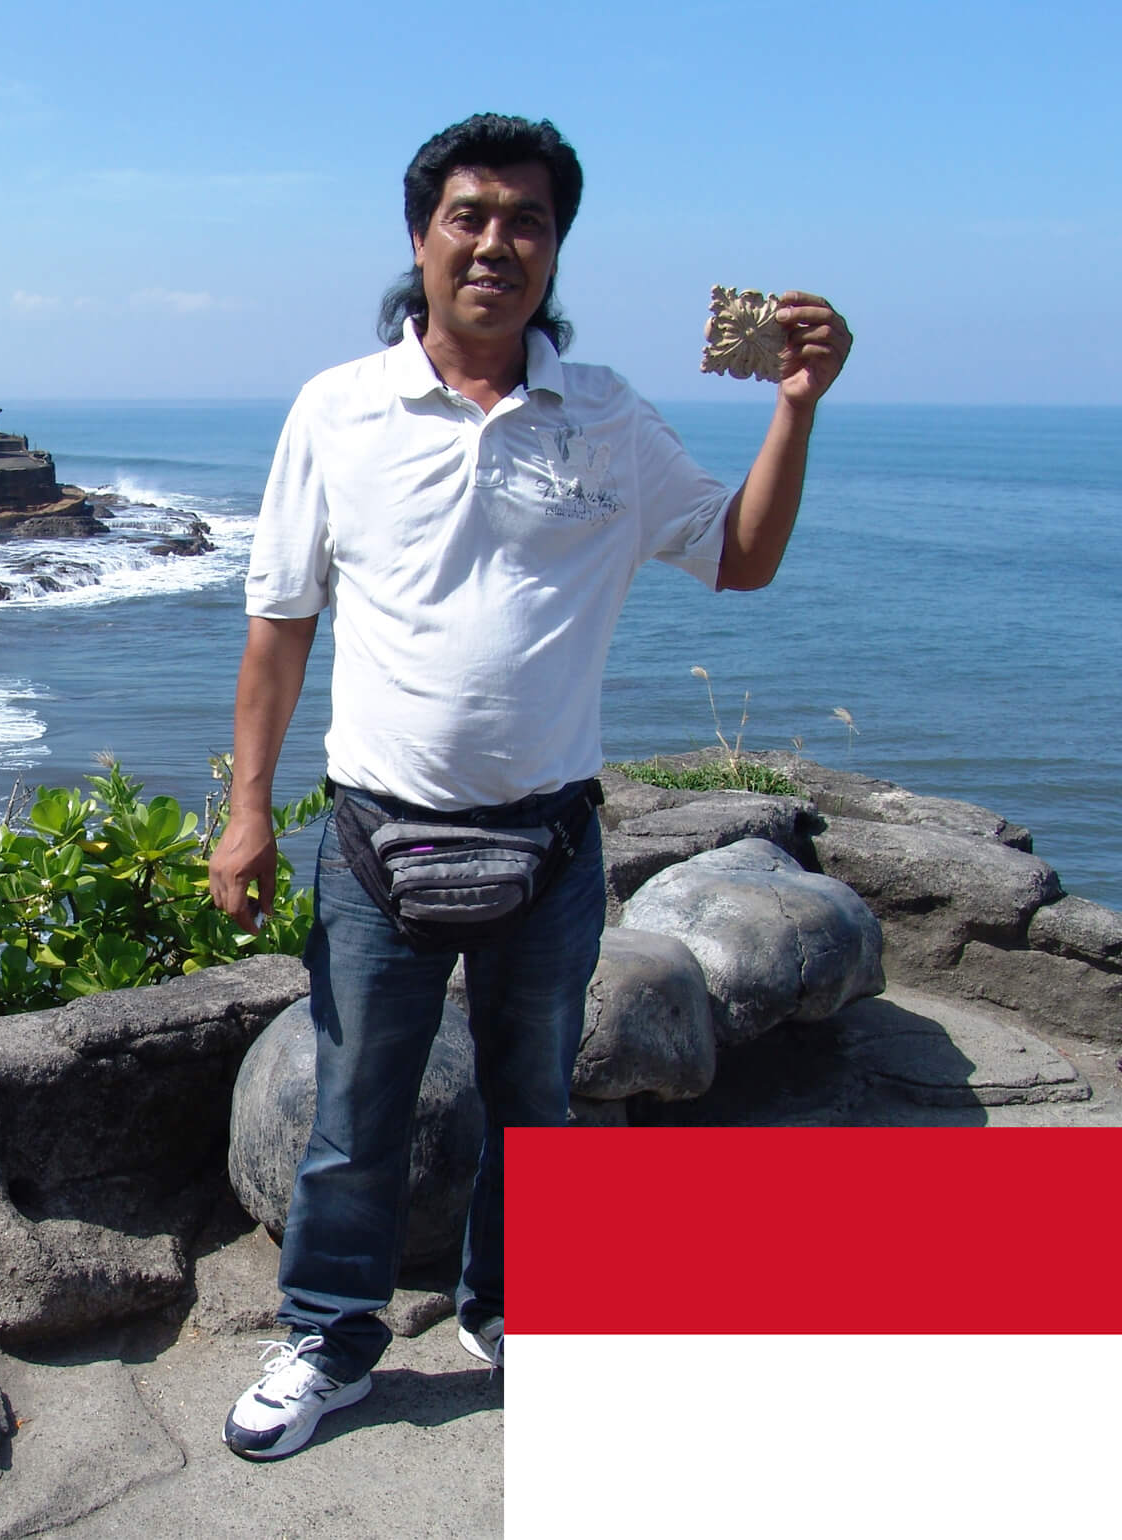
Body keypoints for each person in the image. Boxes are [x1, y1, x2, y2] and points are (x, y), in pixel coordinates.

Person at [208, 114, 850, 1462]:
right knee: (354, 1116)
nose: (496, 244)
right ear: (421, 236)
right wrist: (248, 810)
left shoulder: (608, 417)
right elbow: (281, 622)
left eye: (528, 222)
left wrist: (794, 406)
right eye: (470, 216)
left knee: (538, 1110)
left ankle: (515, 1313)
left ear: (556, 251)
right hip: (375, 838)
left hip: (549, 843)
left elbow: (739, 557)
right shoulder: (337, 410)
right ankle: (327, 1340)